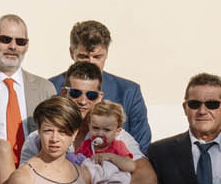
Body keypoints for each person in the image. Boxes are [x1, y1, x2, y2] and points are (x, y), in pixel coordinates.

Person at [48, 20, 151, 150]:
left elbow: (141, 145)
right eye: (83, 56)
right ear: (71, 52)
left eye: (97, 57)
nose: (91, 63)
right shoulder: (50, 88)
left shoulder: (128, 92)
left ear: (106, 54)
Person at [0, 14, 52, 155]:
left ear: (27, 46)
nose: (13, 47)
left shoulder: (45, 89)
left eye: (20, 41)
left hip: (33, 171)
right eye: (5, 39)